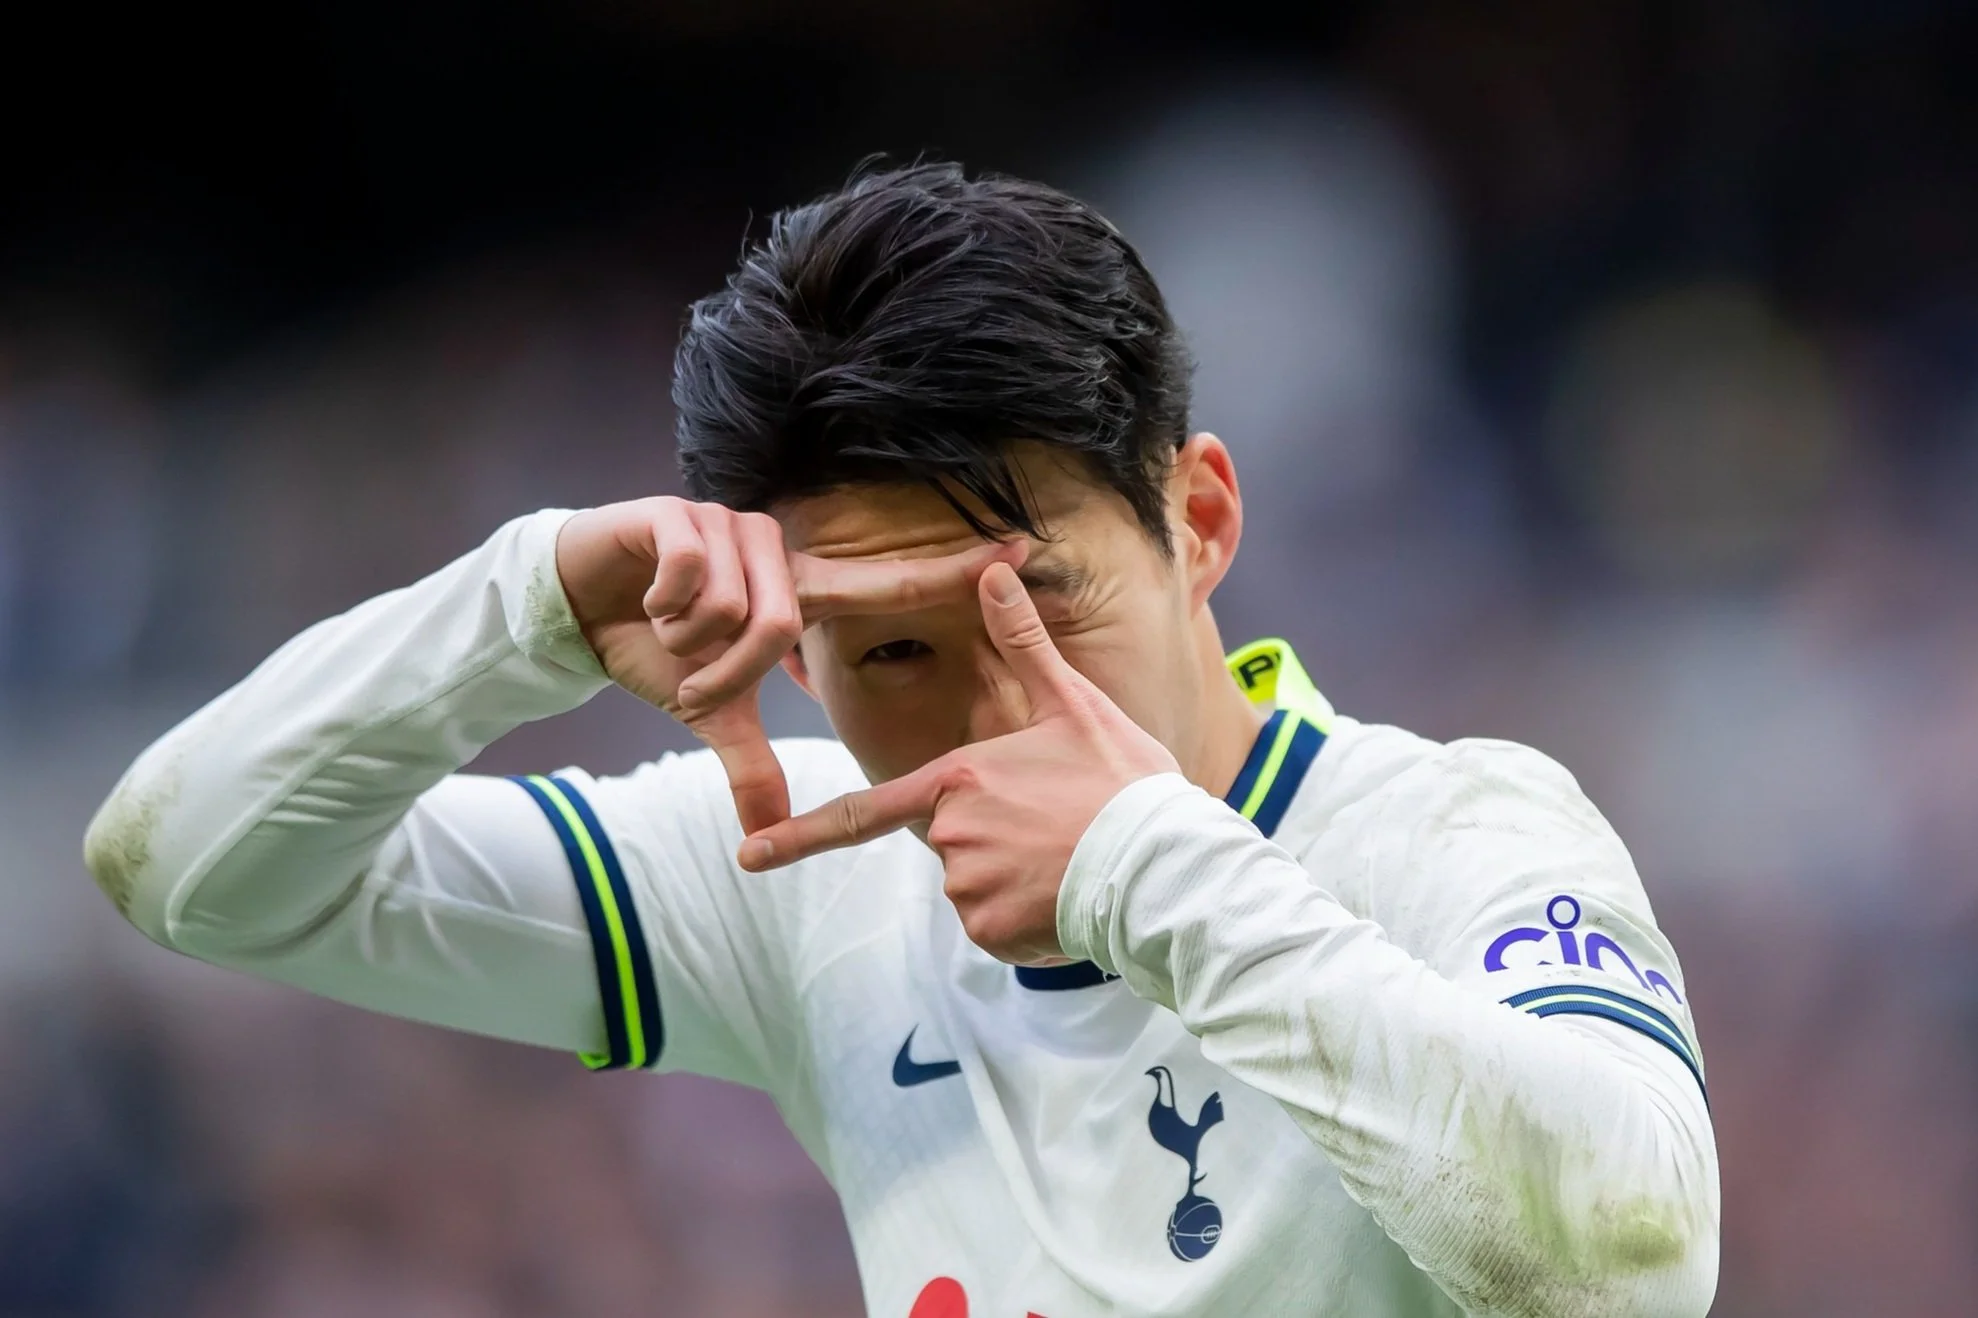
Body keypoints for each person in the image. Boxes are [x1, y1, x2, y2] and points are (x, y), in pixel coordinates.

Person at [84, 162, 1718, 1317]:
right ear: (790, 640)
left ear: (1199, 518)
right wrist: (523, 609)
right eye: (890, 649)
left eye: (1040, 609)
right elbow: (195, 867)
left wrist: (1142, 861)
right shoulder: (810, 867)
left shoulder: (1447, 829)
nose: (980, 713)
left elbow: (1630, 1257)